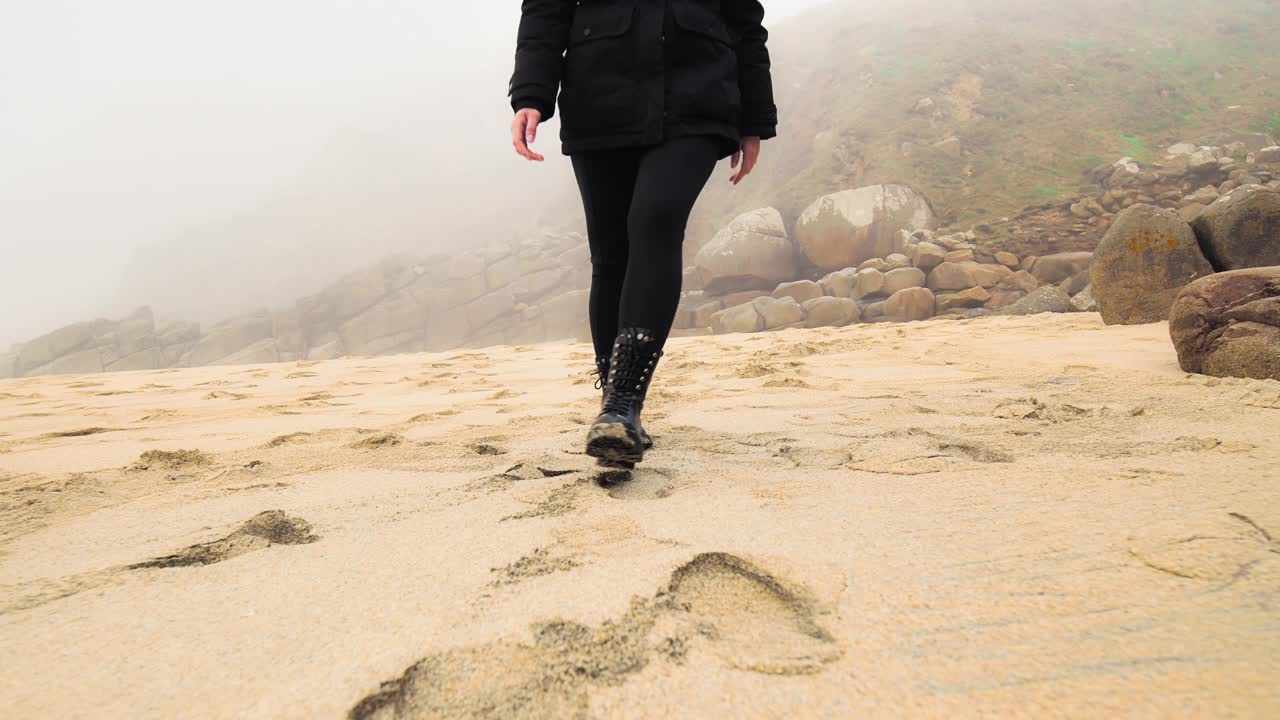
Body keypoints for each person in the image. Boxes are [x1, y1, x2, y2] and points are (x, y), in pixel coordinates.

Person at [508, 0, 777, 466]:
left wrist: (755, 119)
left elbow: (746, 23)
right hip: (599, 95)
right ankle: (614, 409)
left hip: (698, 97)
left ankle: (623, 403)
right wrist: (531, 93)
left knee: (656, 220)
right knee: (610, 254)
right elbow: (545, 13)